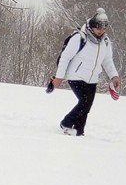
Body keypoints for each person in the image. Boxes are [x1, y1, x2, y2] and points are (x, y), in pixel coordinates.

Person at [51, 8, 120, 136]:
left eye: (104, 28)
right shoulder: (79, 38)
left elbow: (107, 60)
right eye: (98, 28)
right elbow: (65, 57)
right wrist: (59, 77)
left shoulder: (105, 42)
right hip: (76, 76)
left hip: (92, 79)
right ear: (92, 26)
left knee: (87, 106)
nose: (101, 31)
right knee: (84, 102)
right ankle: (66, 123)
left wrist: (114, 76)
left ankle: (79, 131)